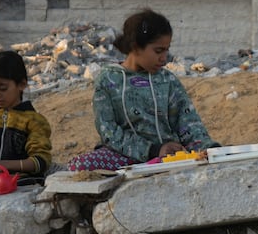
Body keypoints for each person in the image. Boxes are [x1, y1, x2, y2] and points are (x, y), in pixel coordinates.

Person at [66, 9, 217, 171]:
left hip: (167, 158)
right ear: (136, 47)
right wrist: (152, 150)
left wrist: (209, 149)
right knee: (80, 165)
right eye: (158, 51)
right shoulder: (109, 80)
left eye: (166, 50)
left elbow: (188, 123)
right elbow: (108, 131)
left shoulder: (167, 81)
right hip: (123, 157)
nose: (164, 58)